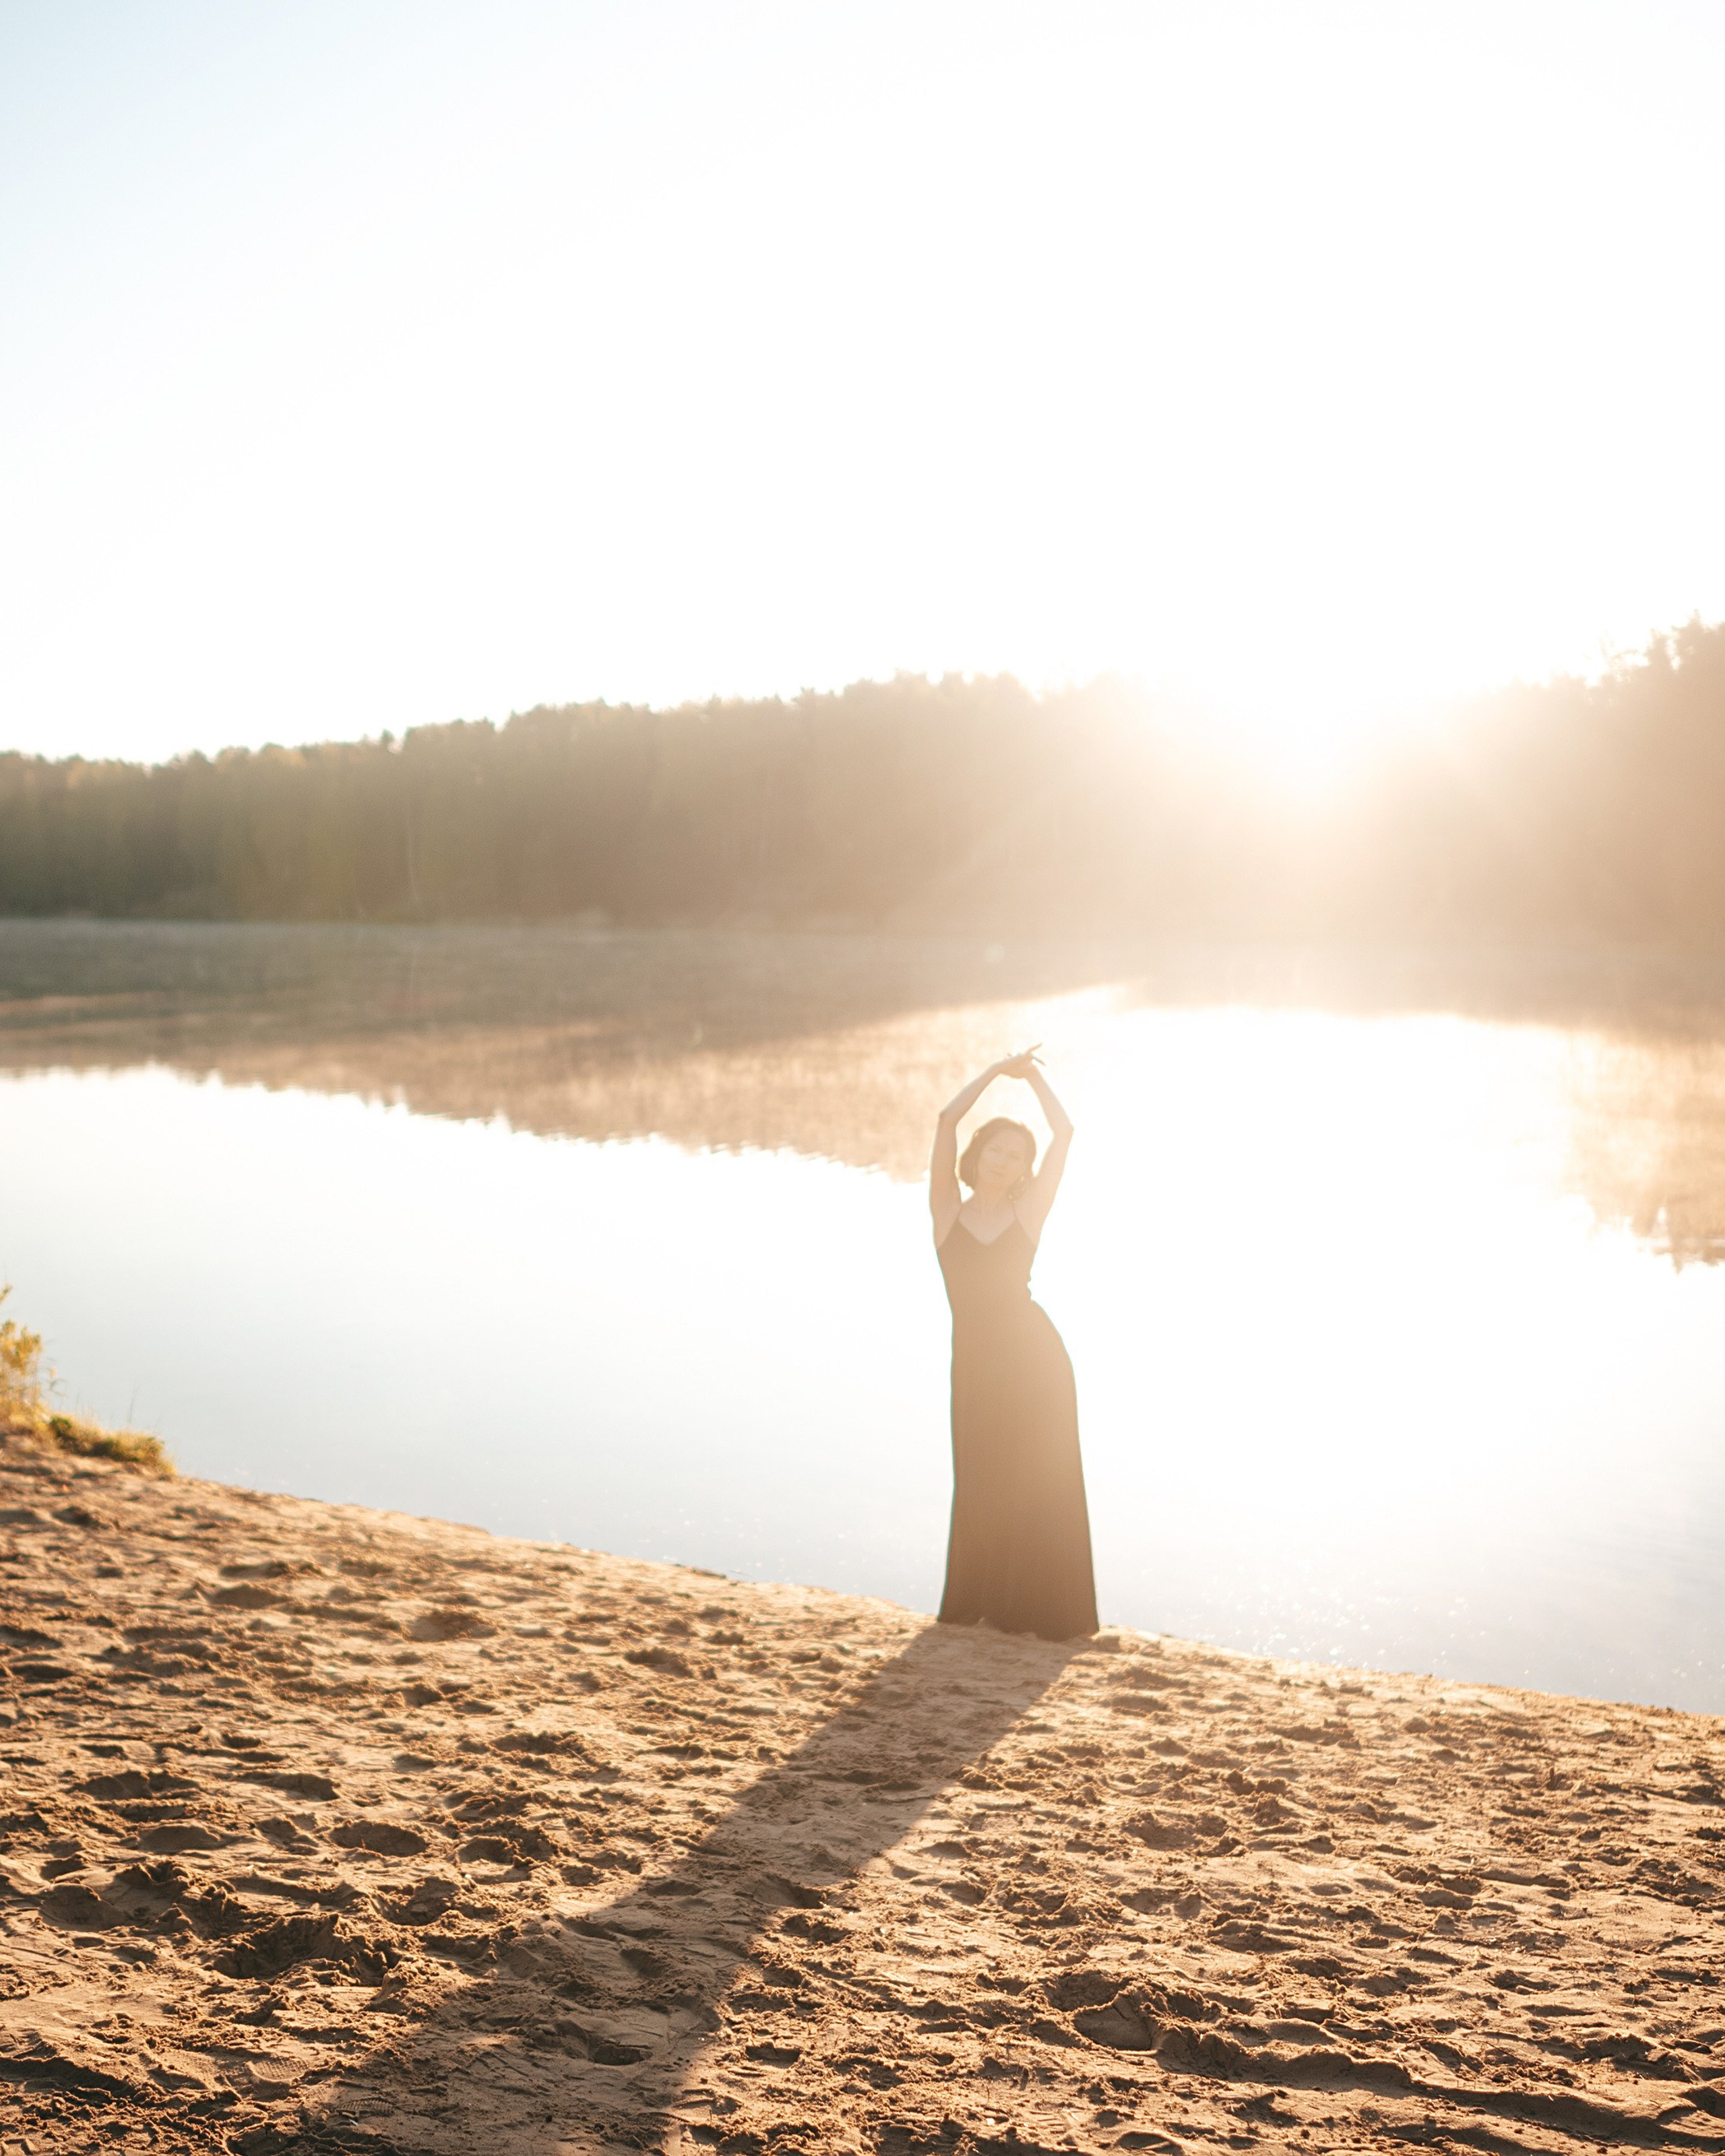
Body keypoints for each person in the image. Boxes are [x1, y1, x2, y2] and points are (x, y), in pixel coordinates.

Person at [929, 1048, 1098, 1641]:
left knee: (1038, 1479)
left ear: (1025, 1168)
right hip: (975, 1365)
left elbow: (1066, 1131)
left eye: (1017, 1156)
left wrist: (1035, 1081)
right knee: (979, 1478)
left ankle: (1044, 1614)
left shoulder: (1028, 1214)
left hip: (1035, 1363)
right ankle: (979, 1604)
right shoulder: (947, 1211)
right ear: (978, 1158)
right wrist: (994, 1073)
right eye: (997, 1151)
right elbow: (947, 1120)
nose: (1004, 1161)